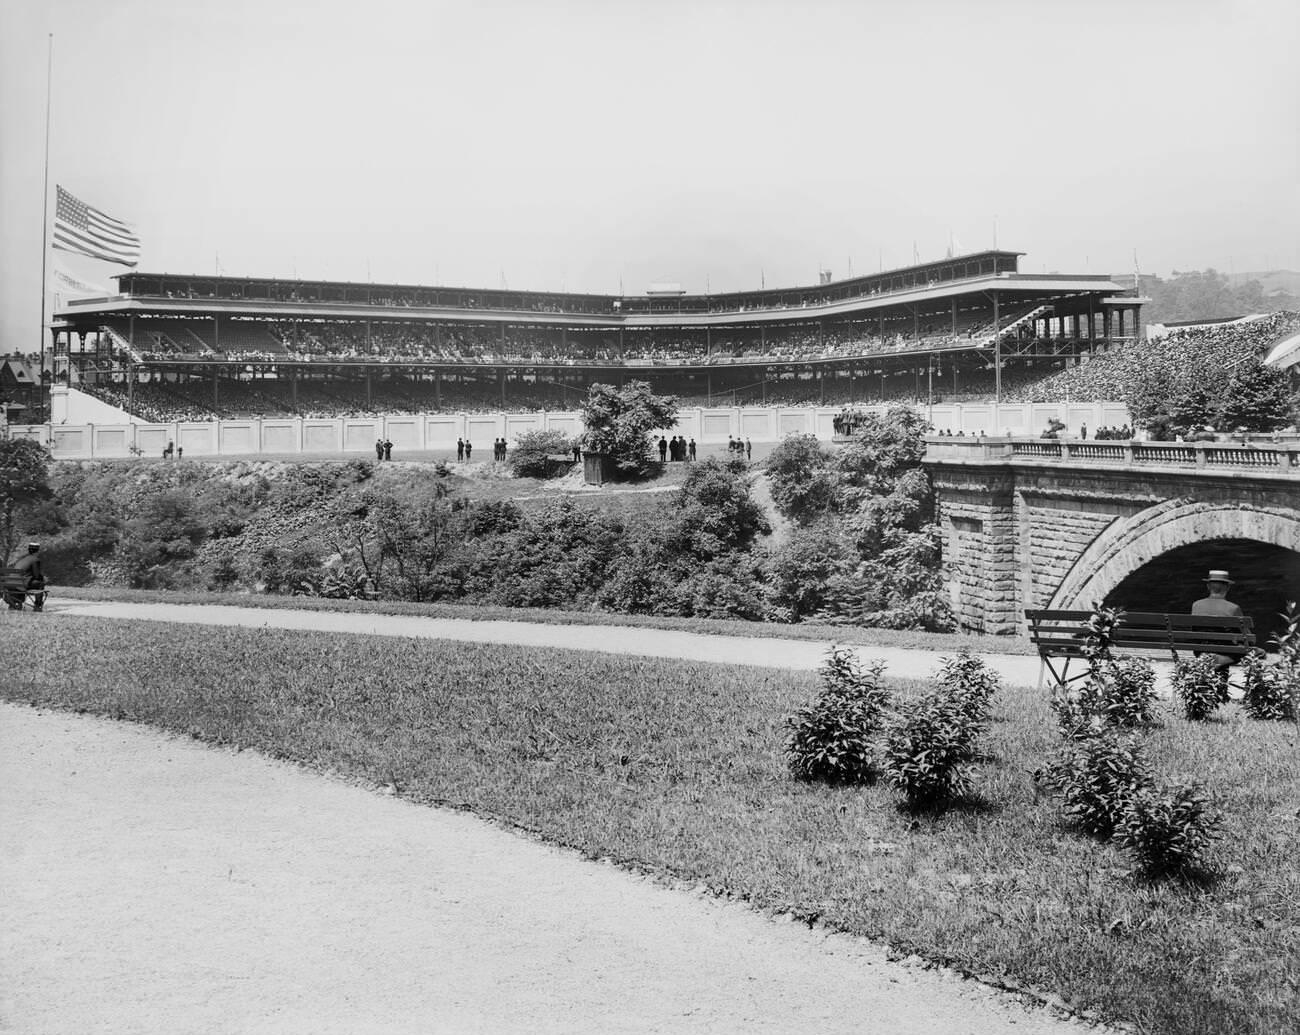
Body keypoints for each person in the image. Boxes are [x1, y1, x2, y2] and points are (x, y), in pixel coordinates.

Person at [1192, 569, 1245, 673]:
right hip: (1225, 652)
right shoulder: (1233, 608)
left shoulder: (1196, 605)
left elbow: (1194, 631)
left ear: (1208, 586)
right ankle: (1219, 661)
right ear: (1228, 587)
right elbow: (1246, 637)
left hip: (1201, 651)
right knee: (1259, 652)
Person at [12, 543, 45, 612]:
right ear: (38, 551)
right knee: (40, 583)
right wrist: (43, 578)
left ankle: (16, 603)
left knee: (25, 582)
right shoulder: (35, 559)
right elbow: (37, 576)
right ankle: (38, 605)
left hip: (11, 583)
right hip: (22, 584)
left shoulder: (22, 559)